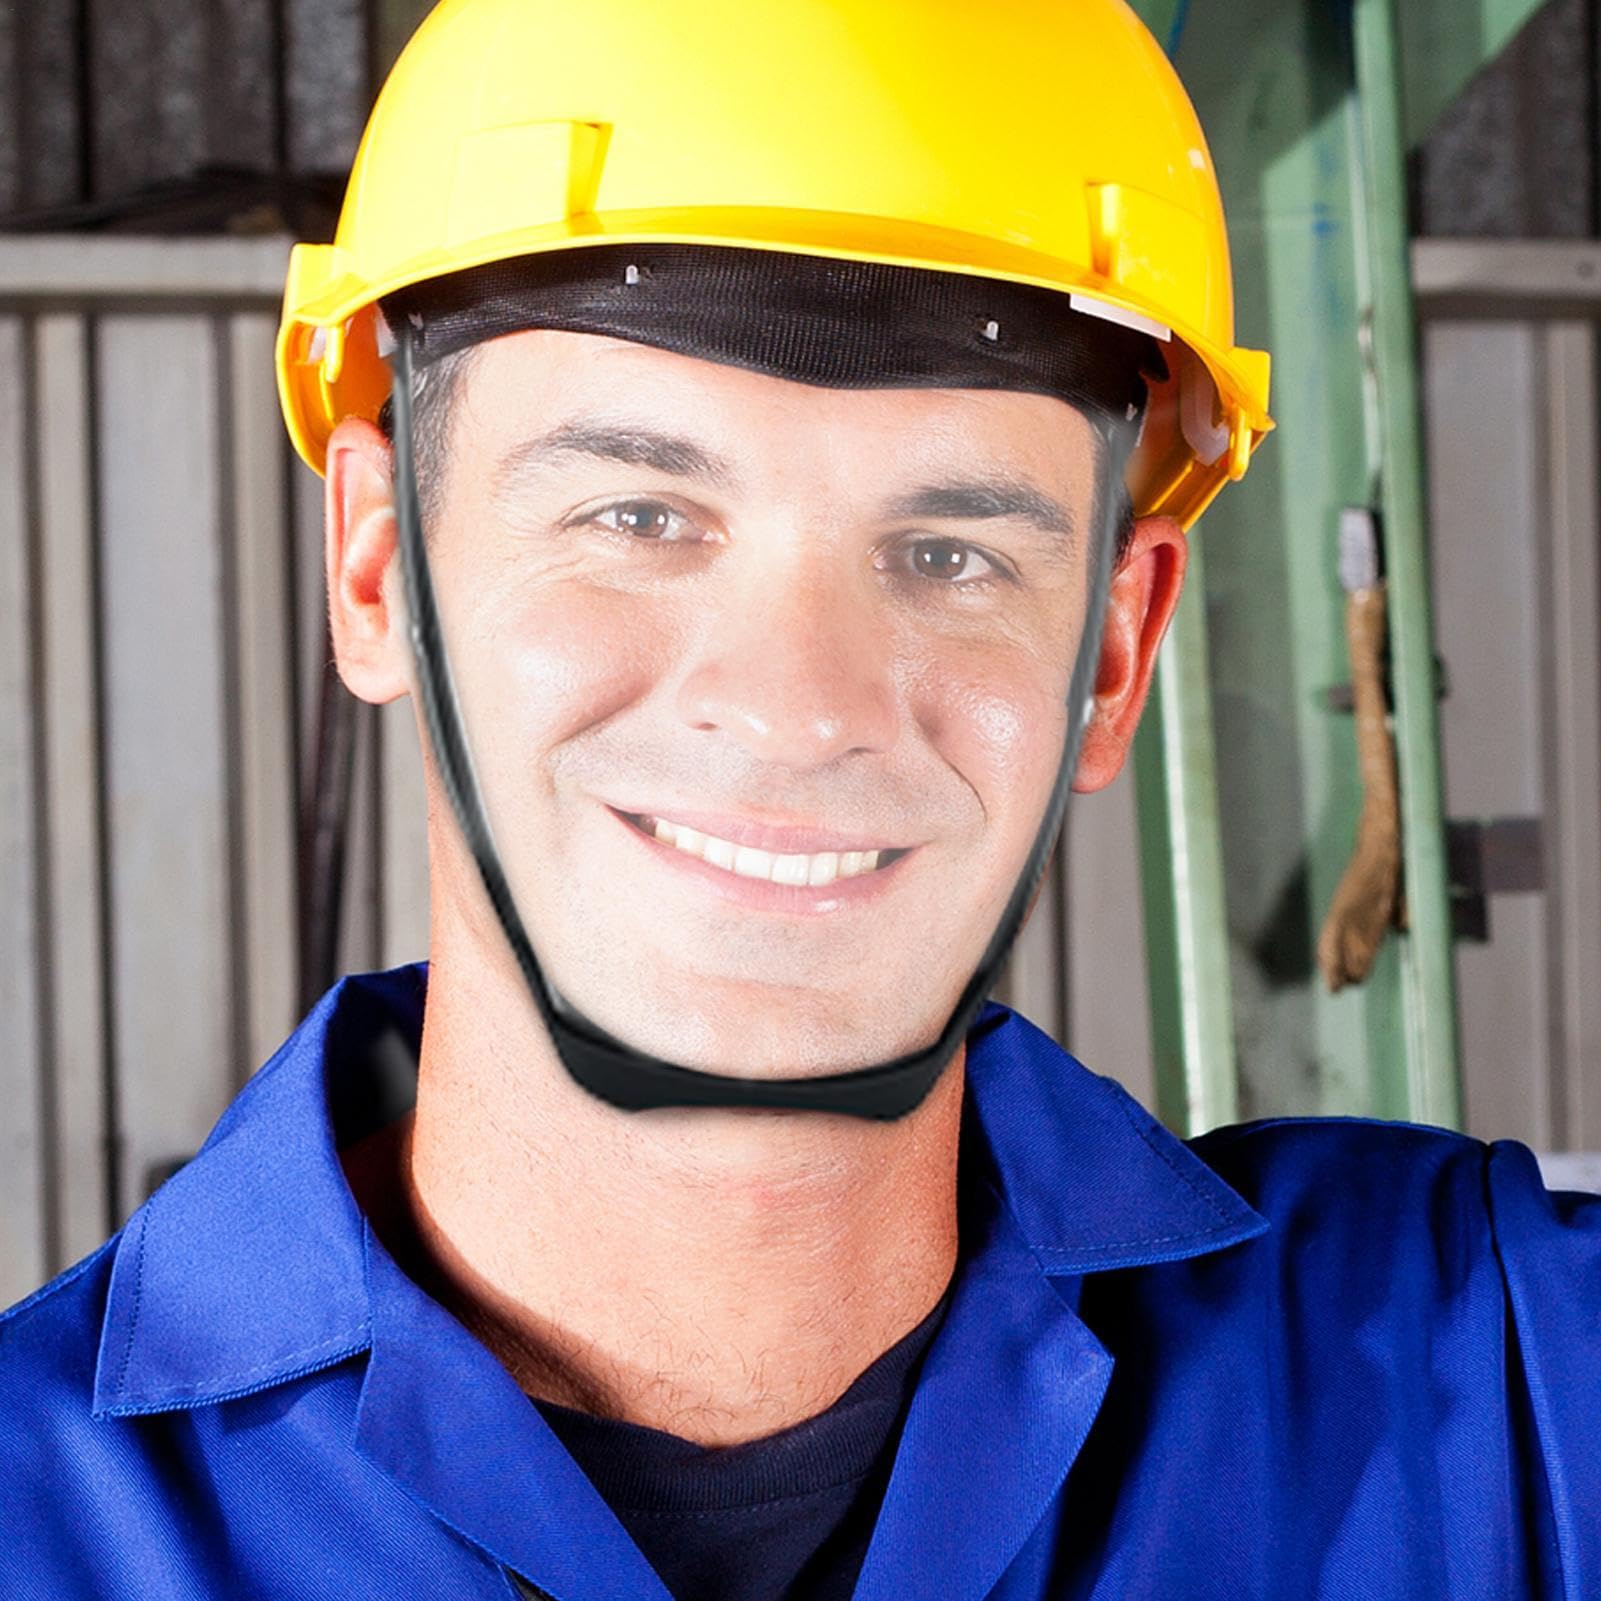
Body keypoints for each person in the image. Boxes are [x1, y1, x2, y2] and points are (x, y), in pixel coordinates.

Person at [1, 2, 1595, 1598]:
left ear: (1113, 655)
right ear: (375, 569)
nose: (796, 705)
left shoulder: (1497, 1387)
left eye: (948, 554)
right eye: (639, 514)